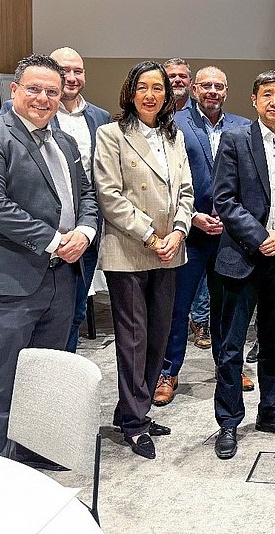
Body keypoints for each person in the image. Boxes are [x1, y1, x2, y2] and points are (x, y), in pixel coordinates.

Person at [0, 54, 98, 457]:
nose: (43, 98)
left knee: (45, 377)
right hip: (9, 280)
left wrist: (86, 233)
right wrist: (56, 241)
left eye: (52, 92)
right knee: (1, 379)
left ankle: (33, 454)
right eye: (34, 89)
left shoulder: (66, 141)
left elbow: (86, 195)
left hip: (61, 279)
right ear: (15, 90)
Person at [211, 71, 275, 460]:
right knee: (232, 348)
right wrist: (260, 237)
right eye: (267, 95)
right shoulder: (235, 140)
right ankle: (228, 423)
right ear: (254, 99)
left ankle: (271, 411)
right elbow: (225, 198)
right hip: (242, 259)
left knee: (274, 344)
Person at [94, 61, 194, 459]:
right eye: (142, 87)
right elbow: (110, 195)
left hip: (170, 250)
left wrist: (179, 232)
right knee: (133, 341)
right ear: (130, 93)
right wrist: (152, 236)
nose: (150, 94)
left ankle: (134, 408)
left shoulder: (174, 136)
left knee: (158, 336)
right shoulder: (111, 134)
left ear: (167, 95)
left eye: (158, 87)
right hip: (130, 251)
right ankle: (135, 424)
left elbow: (186, 190)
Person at [0, 47, 111, 353]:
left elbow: (92, 183)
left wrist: (86, 230)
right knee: (27, 325)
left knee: (73, 313)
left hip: (84, 233)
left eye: (78, 70)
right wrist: (53, 239)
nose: (72, 78)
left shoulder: (99, 117)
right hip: (35, 239)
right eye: (64, 71)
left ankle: (61, 382)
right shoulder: (12, 120)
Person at [155, 66, 253, 406]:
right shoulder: (174, 124)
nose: (213, 90)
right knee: (177, 307)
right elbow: (166, 180)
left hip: (230, 236)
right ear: (194, 89)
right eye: (206, 85)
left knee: (228, 308)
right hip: (189, 233)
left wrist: (236, 219)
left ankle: (230, 368)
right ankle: (167, 371)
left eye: (219, 86)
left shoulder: (243, 127)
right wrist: (192, 217)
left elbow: (252, 181)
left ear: (227, 91)